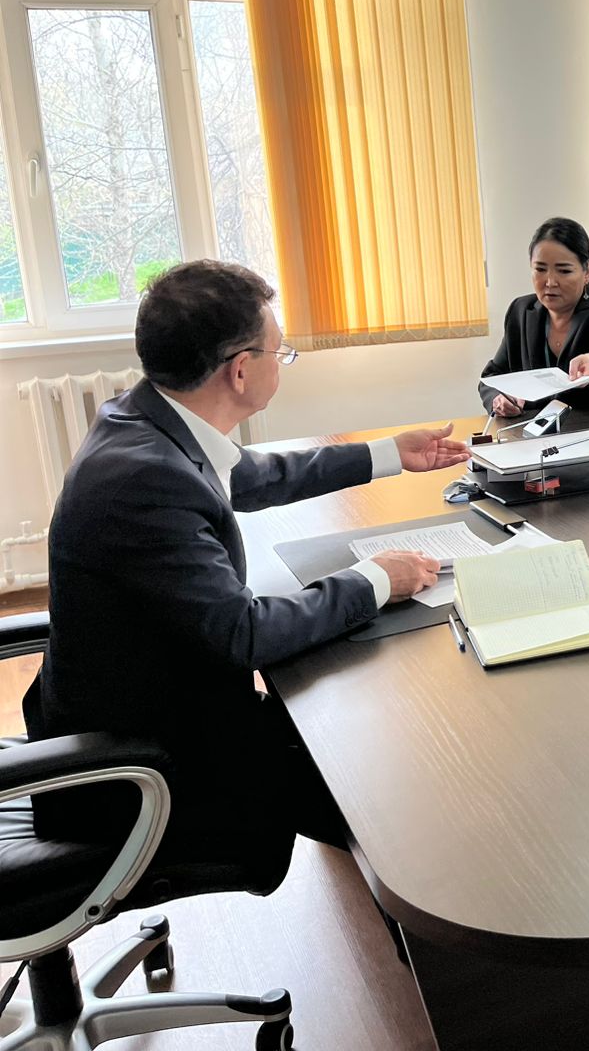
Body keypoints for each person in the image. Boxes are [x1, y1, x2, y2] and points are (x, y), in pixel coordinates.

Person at [24, 260, 470, 877]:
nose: (282, 364)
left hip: (141, 709)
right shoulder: (145, 479)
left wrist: (390, 452)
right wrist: (376, 579)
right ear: (240, 370)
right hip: (141, 769)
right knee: (390, 784)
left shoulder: (144, 419)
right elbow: (244, 634)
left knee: (362, 736)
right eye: (279, 353)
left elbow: (253, 475)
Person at [480, 217, 589, 416]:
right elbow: (492, 377)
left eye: (564, 271)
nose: (550, 282)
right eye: (540, 269)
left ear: (587, 272)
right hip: (544, 429)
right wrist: (498, 399)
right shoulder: (521, 311)